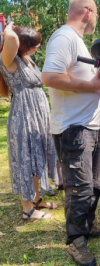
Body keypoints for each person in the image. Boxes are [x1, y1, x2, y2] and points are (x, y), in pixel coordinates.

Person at [42, 0, 100, 266]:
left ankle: (86, 226)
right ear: (87, 11)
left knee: (94, 185)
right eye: (96, 13)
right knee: (79, 188)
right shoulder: (64, 37)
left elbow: (83, 80)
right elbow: (49, 76)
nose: (96, 18)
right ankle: (75, 241)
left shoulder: (78, 43)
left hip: (90, 127)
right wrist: (94, 86)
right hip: (74, 129)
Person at [0, 24, 58, 219]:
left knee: (36, 156)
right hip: (24, 115)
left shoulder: (27, 58)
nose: (38, 47)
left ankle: (36, 199)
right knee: (25, 159)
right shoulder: (9, 59)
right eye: (35, 44)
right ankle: (27, 210)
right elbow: (12, 39)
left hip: (38, 115)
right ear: (23, 45)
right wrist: (8, 27)